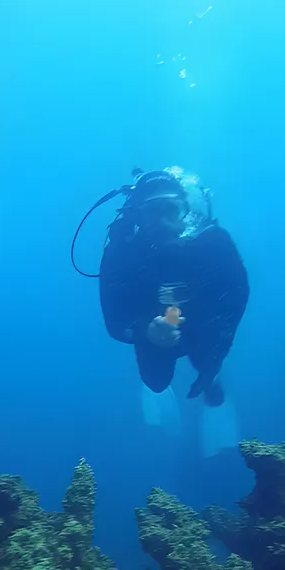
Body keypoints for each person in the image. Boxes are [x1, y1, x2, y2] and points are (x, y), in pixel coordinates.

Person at [71, 166, 249, 406]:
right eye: (152, 213)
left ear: (186, 211)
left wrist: (216, 357)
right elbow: (114, 323)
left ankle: (211, 379)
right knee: (156, 382)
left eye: (171, 210)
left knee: (206, 362)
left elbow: (238, 296)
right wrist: (147, 331)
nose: (164, 223)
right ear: (136, 218)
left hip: (205, 323)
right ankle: (204, 373)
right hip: (153, 329)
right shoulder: (122, 251)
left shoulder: (214, 242)